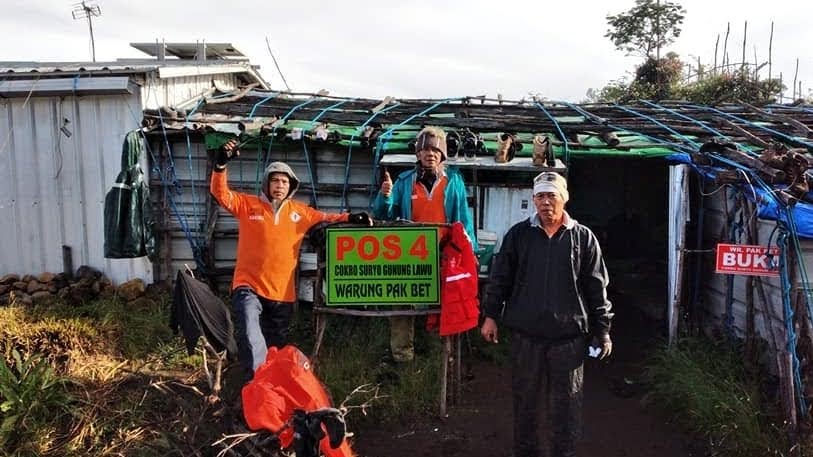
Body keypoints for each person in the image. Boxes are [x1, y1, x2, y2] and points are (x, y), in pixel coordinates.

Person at [210, 139, 372, 379]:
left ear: (291, 186)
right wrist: (221, 165)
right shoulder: (248, 205)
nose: (279, 185)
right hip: (248, 285)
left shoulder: (300, 212)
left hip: (282, 293)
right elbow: (220, 193)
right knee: (251, 334)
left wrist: (351, 217)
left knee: (275, 348)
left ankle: (272, 387)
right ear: (266, 183)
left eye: (285, 182)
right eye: (275, 180)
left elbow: (327, 217)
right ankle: (255, 384)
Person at [480, 171, 613, 457]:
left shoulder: (583, 238)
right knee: (525, 402)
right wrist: (491, 315)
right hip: (526, 336)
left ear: (565, 198)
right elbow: (500, 278)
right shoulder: (519, 235)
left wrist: (602, 331)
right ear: (533, 200)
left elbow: (596, 287)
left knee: (566, 405)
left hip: (569, 339)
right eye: (539, 196)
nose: (545, 202)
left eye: (551, 195)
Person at [372, 126, 477, 363]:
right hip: (409, 255)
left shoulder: (454, 181)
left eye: (436, 150)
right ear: (418, 153)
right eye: (426, 150)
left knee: (444, 303)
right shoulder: (404, 181)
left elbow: (463, 220)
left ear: (443, 155)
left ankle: (440, 354)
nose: (430, 154)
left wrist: (471, 252)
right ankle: (402, 358)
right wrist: (385, 196)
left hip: (443, 253)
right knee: (402, 303)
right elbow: (384, 215)